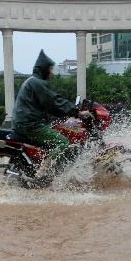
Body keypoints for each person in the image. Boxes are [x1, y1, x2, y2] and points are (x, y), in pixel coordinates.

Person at [11, 50, 90, 180]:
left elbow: (50, 105)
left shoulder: (32, 81)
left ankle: (44, 168)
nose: (52, 73)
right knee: (62, 142)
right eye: (50, 69)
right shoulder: (37, 83)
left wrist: (68, 113)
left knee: (54, 135)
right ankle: (44, 173)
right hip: (30, 125)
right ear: (44, 69)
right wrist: (77, 112)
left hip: (24, 123)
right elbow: (54, 101)